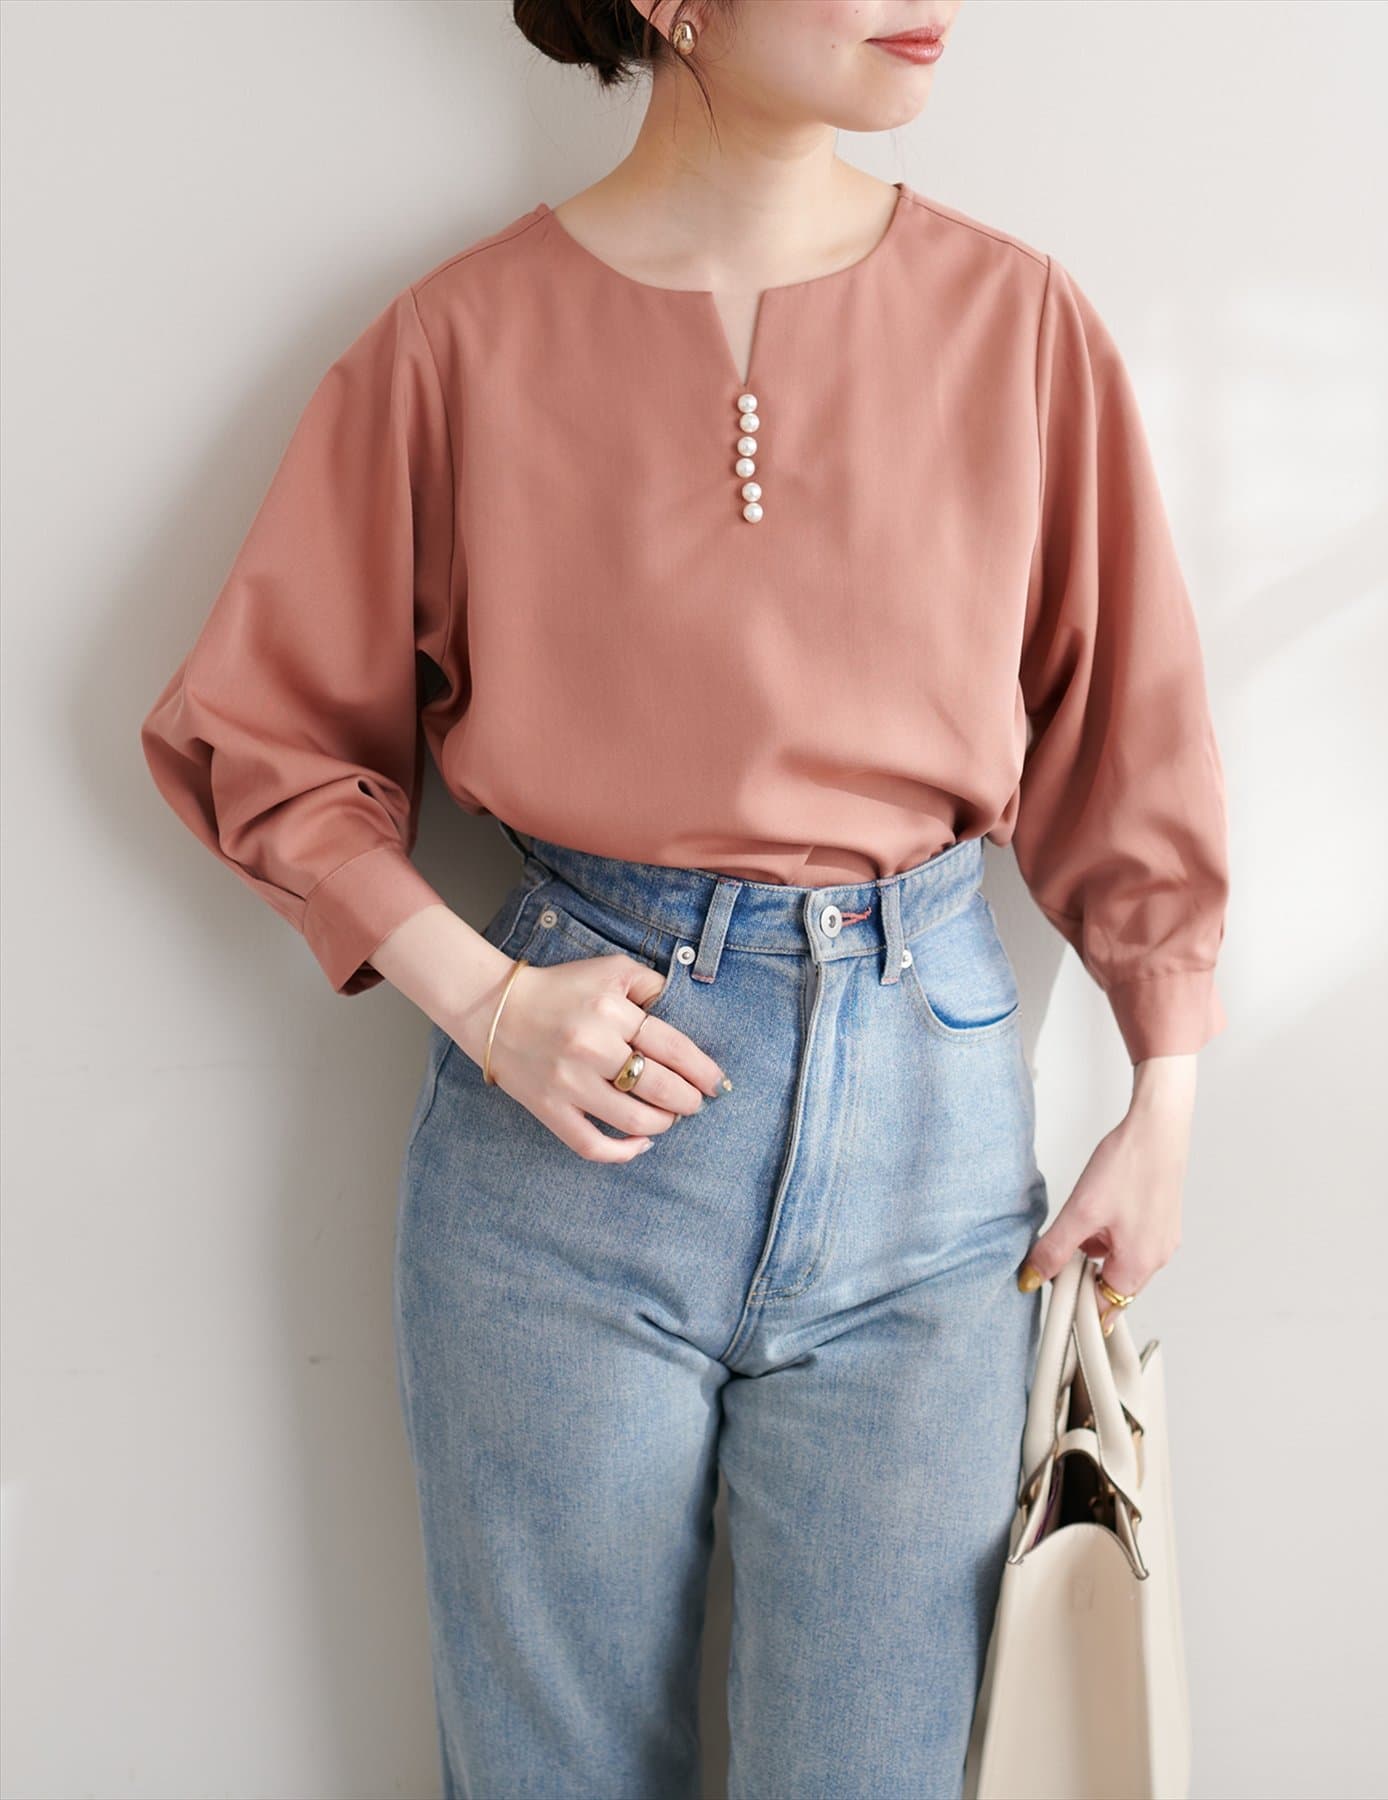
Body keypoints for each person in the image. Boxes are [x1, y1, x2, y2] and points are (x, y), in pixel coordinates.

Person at [138, 1, 1230, 1794]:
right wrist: (487, 999)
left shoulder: (1020, 322)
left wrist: (1163, 1096)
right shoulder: (460, 338)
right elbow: (259, 735)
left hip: (936, 1162)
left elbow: (1132, 734)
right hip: (566, 1148)